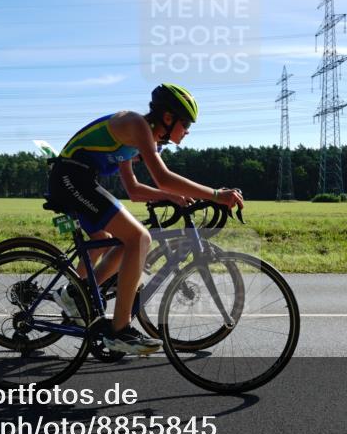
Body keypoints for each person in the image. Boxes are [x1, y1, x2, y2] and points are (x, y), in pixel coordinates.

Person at [46, 83, 244, 355]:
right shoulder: (136, 125)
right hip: (70, 177)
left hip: (80, 178)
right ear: (167, 117)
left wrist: (173, 197)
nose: (188, 131)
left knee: (120, 242)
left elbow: (134, 190)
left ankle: (77, 295)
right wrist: (216, 195)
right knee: (140, 238)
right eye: (185, 123)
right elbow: (163, 178)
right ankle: (119, 330)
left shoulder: (142, 140)